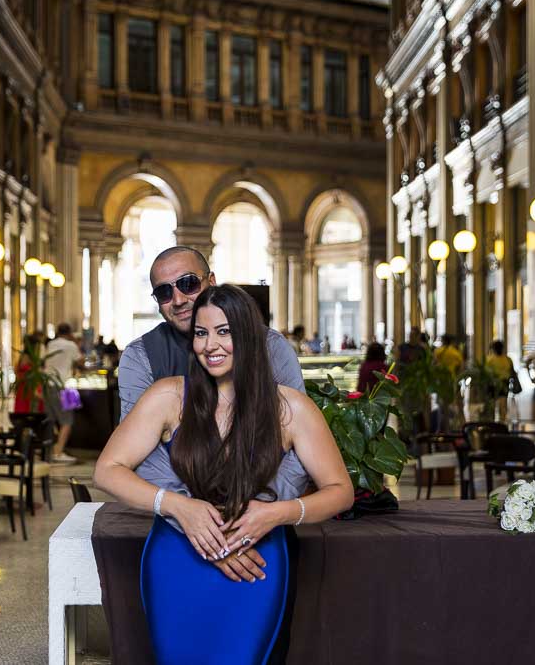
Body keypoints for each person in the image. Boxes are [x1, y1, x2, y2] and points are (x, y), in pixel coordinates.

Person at [94, 285, 353, 664]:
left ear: (248, 335)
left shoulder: (290, 408)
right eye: (201, 333)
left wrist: (275, 513)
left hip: (256, 561)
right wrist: (180, 507)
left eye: (224, 331)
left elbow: (339, 490)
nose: (209, 345)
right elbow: (107, 470)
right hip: (175, 560)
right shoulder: (169, 396)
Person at [118, 246, 303, 421]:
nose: (178, 300)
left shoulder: (270, 344)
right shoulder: (140, 355)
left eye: (188, 283)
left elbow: (297, 428)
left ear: (212, 281)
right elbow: (136, 443)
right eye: (164, 292)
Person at [45, 323, 84, 463]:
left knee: (50, 419)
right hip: (65, 386)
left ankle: (49, 451)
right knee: (67, 421)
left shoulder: (50, 344)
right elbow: (81, 362)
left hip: (48, 384)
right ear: (69, 333)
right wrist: (75, 342)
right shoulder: (71, 345)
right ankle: (58, 452)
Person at [13, 333, 46, 414]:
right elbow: (27, 377)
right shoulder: (27, 358)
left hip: (27, 391)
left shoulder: (26, 358)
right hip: (28, 392)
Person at [487, 340, 514, 422]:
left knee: (493, 405)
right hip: (502, 383)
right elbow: (511, 371)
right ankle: (502, 422)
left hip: (494, 384)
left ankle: (493, 422)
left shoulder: (490, 359)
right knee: (502, 405)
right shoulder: (508, 359)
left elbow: (487, 373)